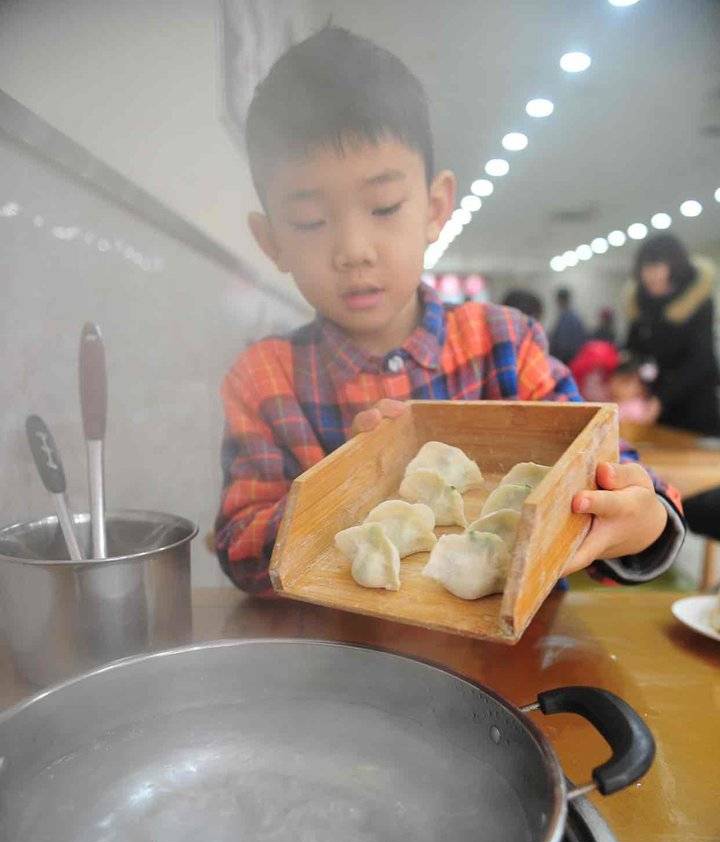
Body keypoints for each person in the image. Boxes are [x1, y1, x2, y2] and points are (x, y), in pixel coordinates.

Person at [215, 27, 684, 594]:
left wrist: (646, 517)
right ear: (271, 242)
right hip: (334, 658)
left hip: (513, 664)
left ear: (436, 208)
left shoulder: (504, 344)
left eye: (384, 207)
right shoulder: (264, 377)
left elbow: (611, 468)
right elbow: (240, 548)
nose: (353, 250)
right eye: (311, 221)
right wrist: (346, 488)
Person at [625, 234, 720, 436]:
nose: (651, 275)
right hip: (655, 406)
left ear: (674, 268)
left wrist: (662, 398)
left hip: (695, 404)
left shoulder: (698, 301)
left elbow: (701, 360)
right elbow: (633, 349)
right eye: (646, 268)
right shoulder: (640, 305)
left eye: (657, 267)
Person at [548, 288, 587, 366]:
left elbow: (563, 344)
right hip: (571, 358)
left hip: (566, 359)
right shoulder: (574, 317)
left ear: (561, 300)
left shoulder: (567, 318)